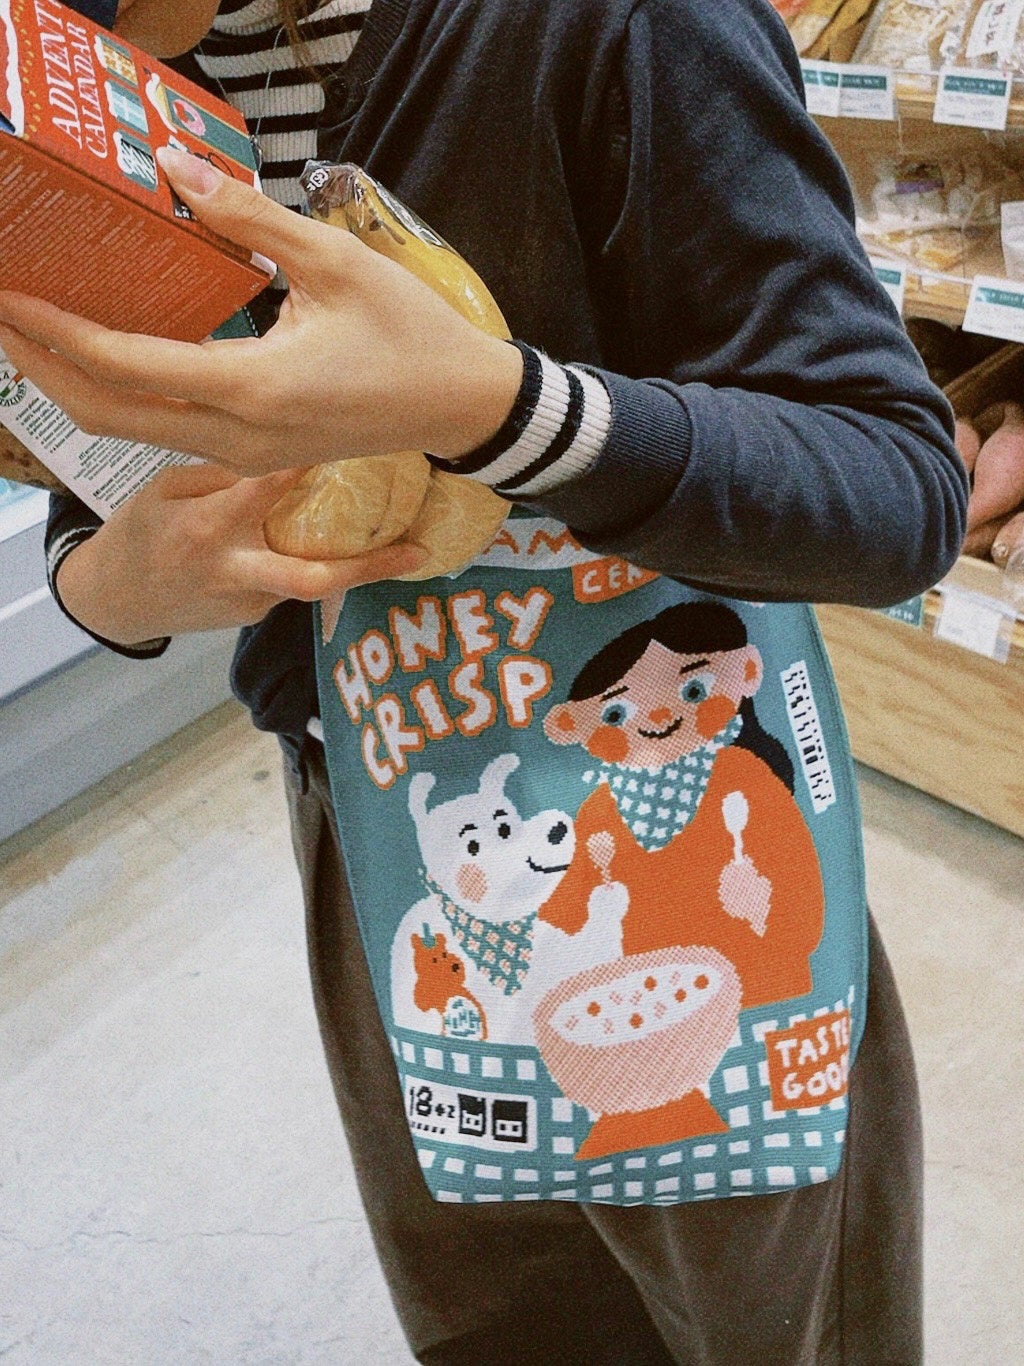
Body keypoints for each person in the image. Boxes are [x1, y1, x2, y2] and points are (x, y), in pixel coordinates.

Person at [0, 2, 969, 1362]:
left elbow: (897, 487)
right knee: (494, 1318)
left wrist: (494, 408)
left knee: (773, 1320)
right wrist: (115, 585)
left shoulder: (614, 29)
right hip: (374, 833)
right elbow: (98, 477)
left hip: (693, 839)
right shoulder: (97, 74)